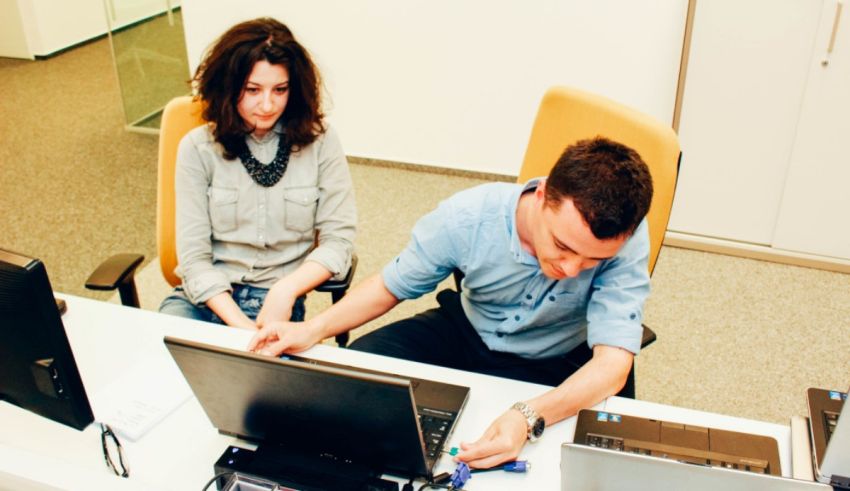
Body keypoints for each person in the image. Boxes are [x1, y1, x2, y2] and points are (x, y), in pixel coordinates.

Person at [249, 137, 652, 467]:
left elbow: (613, 365)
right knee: (359, 381)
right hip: (469, 330)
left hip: (560, 352)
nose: (573, 268)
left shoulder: (627, 239)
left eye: (594, 260)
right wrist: (313, 329)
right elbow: (391, 285)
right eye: (562, 246)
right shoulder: (469, 216)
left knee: (571, 463)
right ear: (543, 194)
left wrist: (528, 414)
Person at [159, 18, 356, 330]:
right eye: (252, 90)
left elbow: (338, 243)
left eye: (280, 89)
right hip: (203, 297)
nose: (267, 104)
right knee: (161, 365)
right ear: (228, 87)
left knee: (247, 379)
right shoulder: (197, 148)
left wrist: (286, 290)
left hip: (274, 302)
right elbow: (194, 260)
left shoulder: (321, 141)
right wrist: (242, 328)